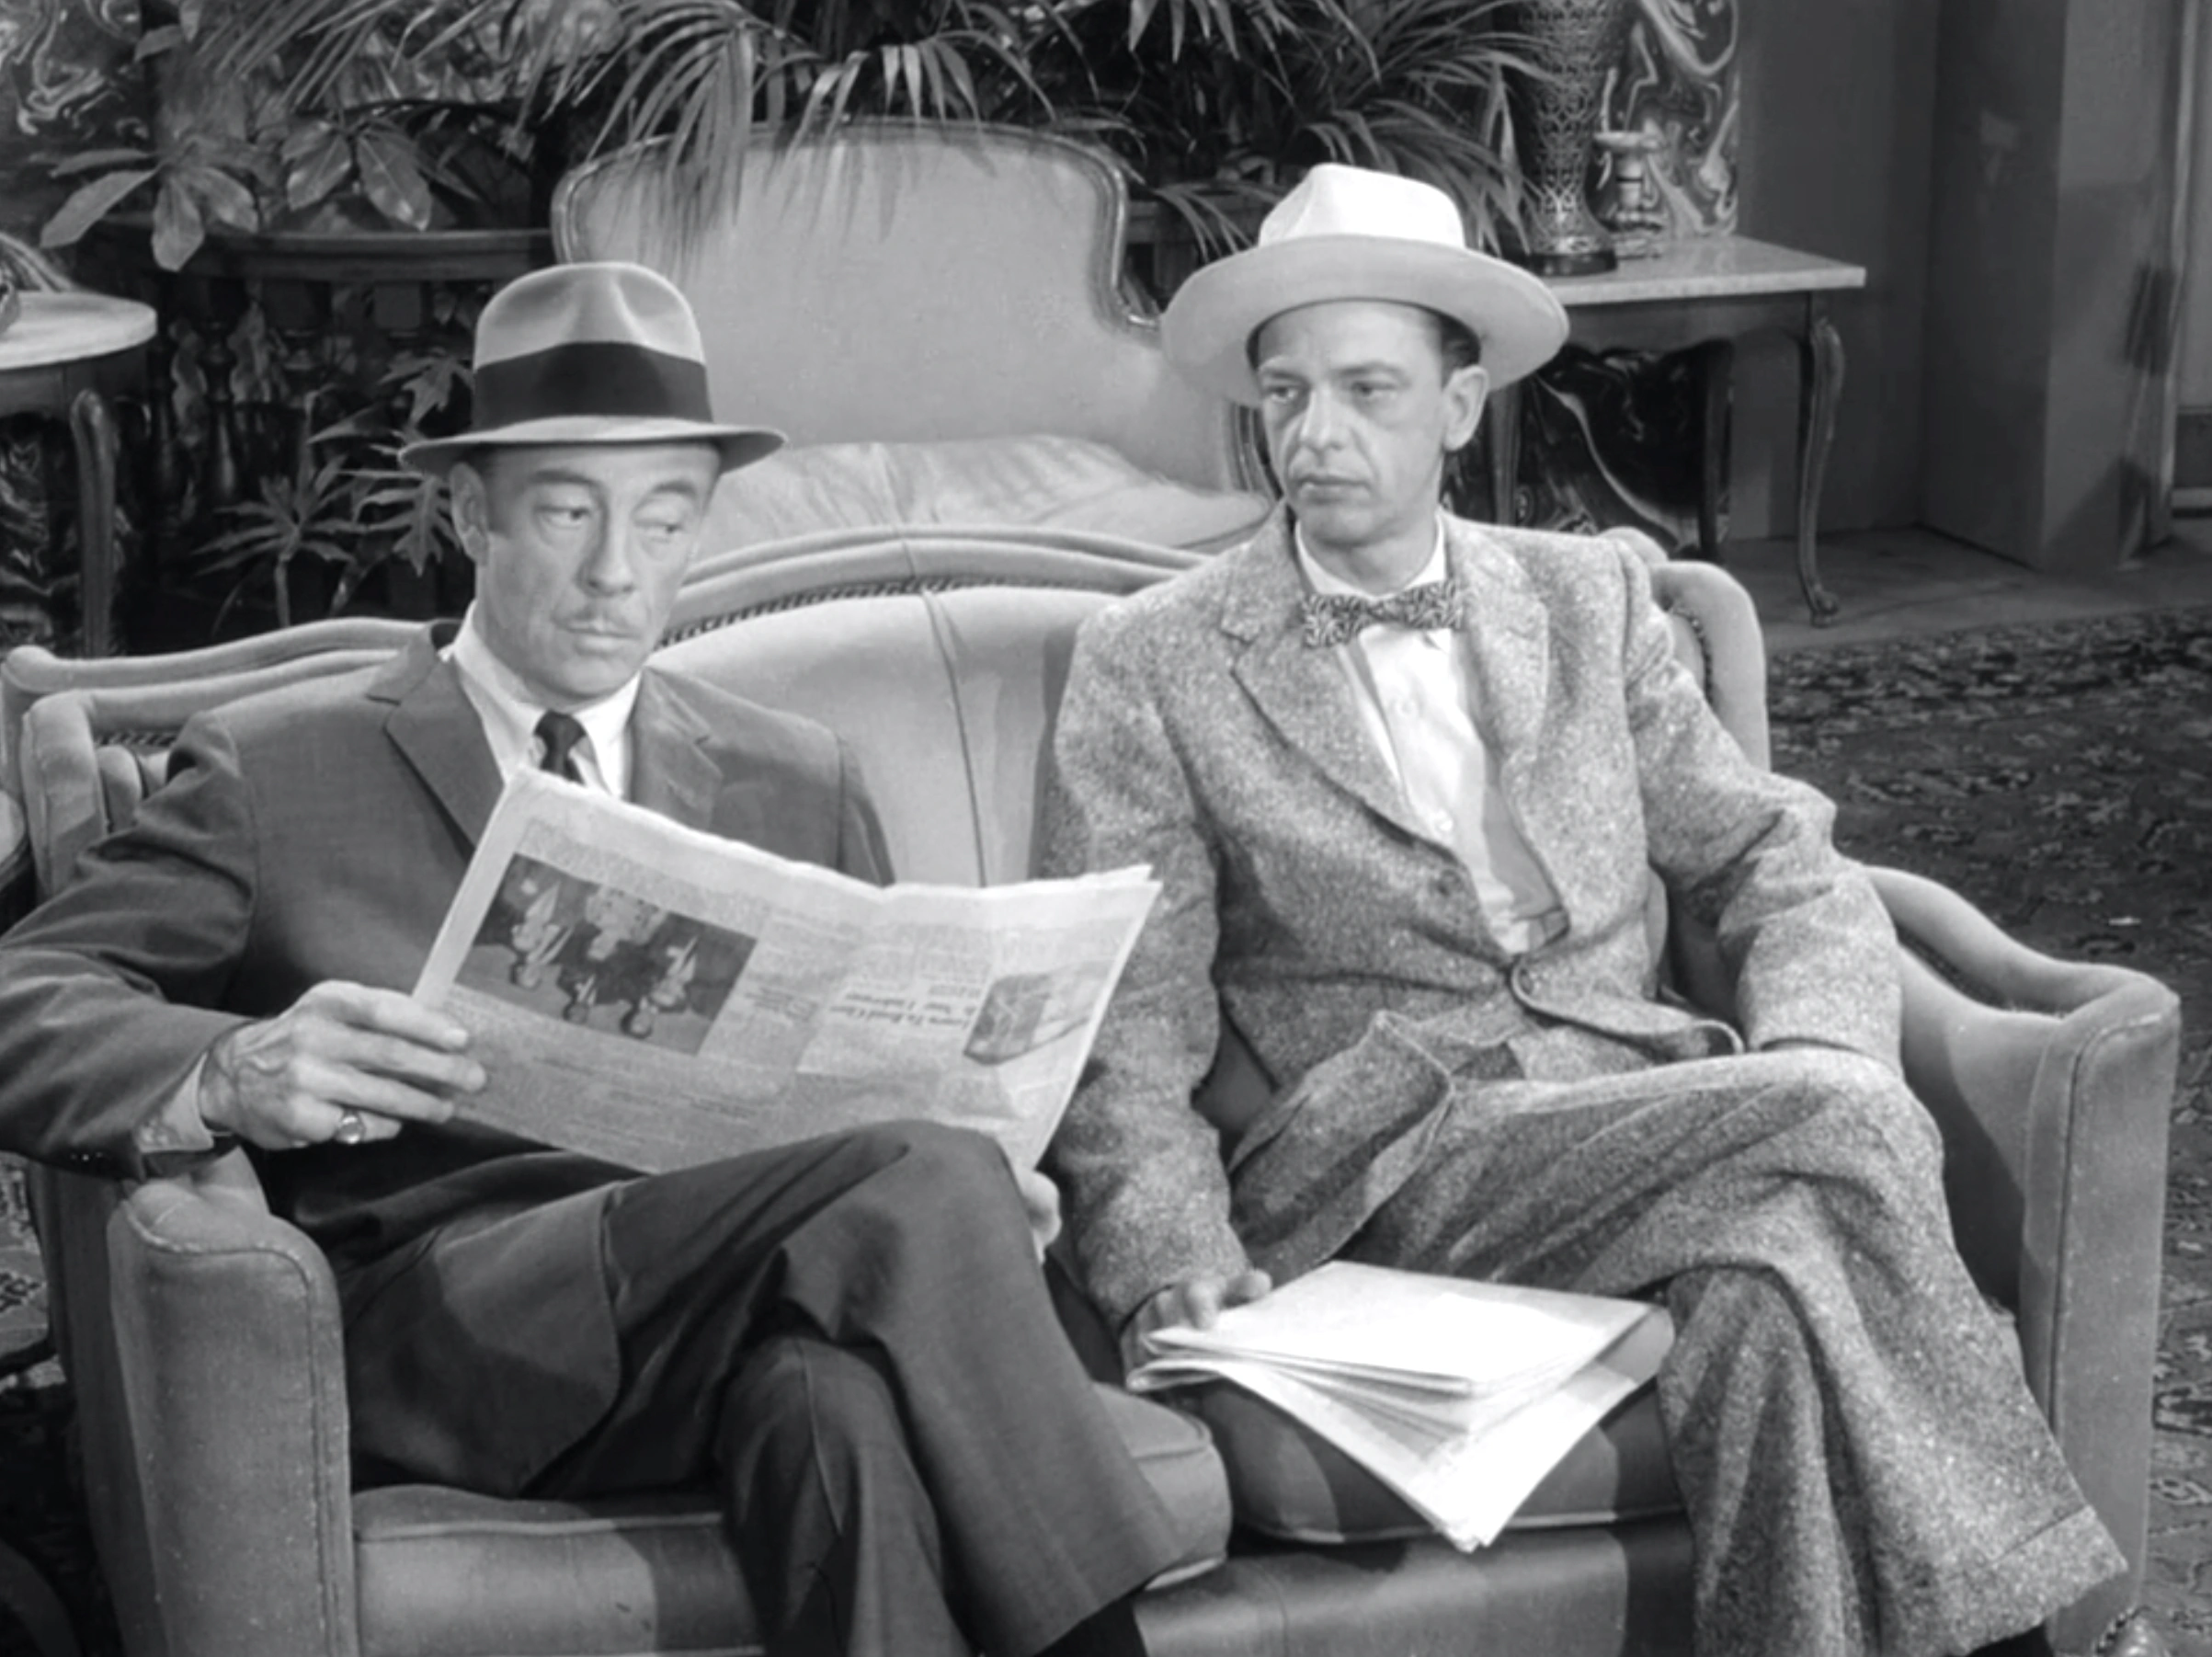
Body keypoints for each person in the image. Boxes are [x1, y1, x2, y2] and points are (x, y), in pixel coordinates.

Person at [1040, 165, 2149, 1657]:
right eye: (1284, 393)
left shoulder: (1586, 597)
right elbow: (1123, 1012)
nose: (1313, 435)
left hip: (1653, 1109)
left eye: (1366, 389)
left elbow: (1774, 856)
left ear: (1459, 403)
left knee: (1766, 1292)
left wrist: (1818, 1050)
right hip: (1394, 1153)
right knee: (1839, 1127)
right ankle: (2075, 1629)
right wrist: (1165, 1255)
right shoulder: (1150, 659)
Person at [0, 261, 1182, 1657]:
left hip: (730, 1315)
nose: (617, 569)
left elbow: (872, 1098)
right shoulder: (284, 767)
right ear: (470, 513)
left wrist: (980, 1178)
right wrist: (234, 1066)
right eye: (568, 513)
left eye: (663, 519)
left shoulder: (794, 775)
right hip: (453, 1329)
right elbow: (24, 996)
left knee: (834, 1406)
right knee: (920, 1185)